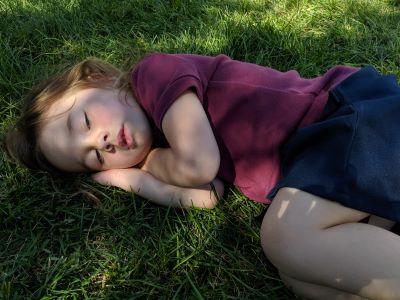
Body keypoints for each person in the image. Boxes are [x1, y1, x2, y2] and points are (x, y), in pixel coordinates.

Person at [5, 53, 400, 300]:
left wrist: (148, 167)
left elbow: (199, 168)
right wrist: (138, 179)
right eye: (91, 158)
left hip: (349, 117)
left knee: (286, 236)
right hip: (331, 161)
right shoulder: (159, 148)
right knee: (301, 276)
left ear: (99, 79)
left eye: (86, 120)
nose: (102, 142)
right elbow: (207, 194)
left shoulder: (154, 76)